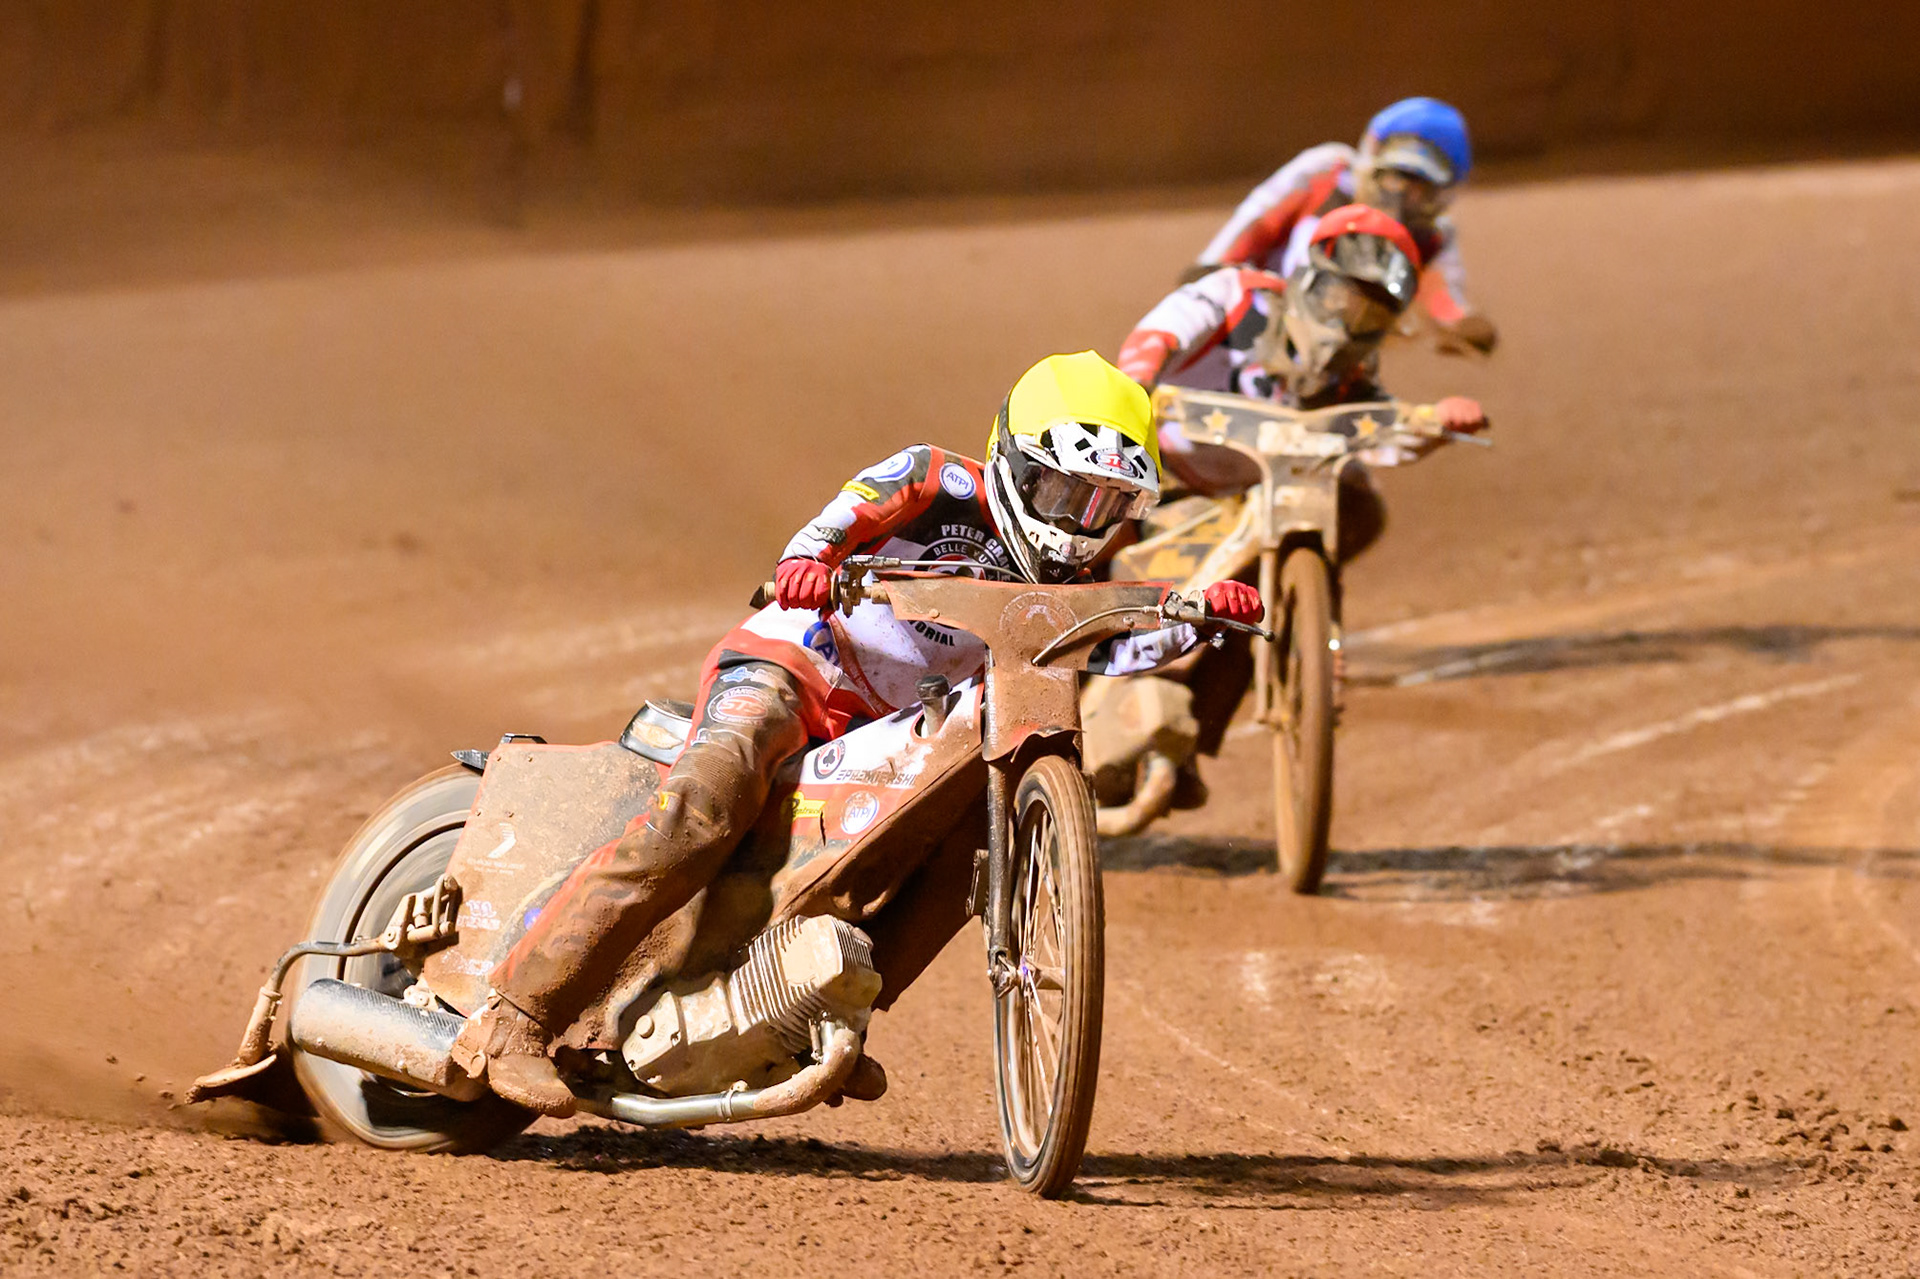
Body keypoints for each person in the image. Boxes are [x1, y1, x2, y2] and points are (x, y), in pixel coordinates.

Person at [449, 352, 1264, 1115]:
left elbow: (1107, 644)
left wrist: (1199, 617)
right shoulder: (933, 479)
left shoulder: (1071, 581)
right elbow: (828, 528)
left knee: (970, 848)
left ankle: (825, 1016)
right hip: (797, 669)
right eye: (1066, 494)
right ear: (1016, 461)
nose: (1081, 524)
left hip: (902, 726)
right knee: (707, 801)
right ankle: (515, 1015)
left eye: (1107, 505)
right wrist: (812, 562)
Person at [1120, 202, 1486, 556]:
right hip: (1160, 475)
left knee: (1358, 504)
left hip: (1258, 498)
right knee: (1100, 527)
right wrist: (1138, 383)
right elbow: (1162, 333)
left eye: (1368, 318)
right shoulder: (1239, 295)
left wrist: (1435, 420)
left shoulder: (1354, 372)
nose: (1347, 327)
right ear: (1311, 278)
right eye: (1340, 300)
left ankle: (1293, 600)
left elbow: (1376, 429)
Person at [1184, 96, 1496, 356]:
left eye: (1418, 186)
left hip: (1330, 354)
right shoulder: (1327, 171)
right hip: (1250, 319)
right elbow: (1261, 219)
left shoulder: (1433, 236)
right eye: (1396, 176)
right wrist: (1215, 267)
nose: (1399, 195)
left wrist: (1463, 323)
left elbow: (1443, 294)